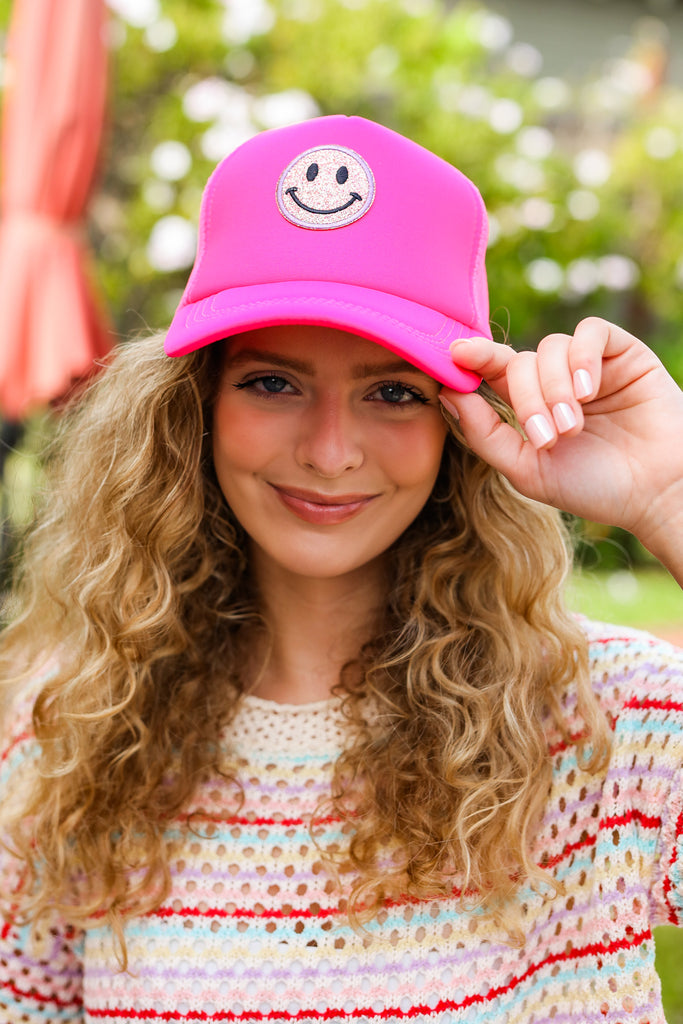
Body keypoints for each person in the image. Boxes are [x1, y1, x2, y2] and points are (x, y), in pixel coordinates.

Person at [1, 114, 682, 1023]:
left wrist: (671, 500)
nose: (328, 453)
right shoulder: (68, 729)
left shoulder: (609, 720)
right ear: (195, 407)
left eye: (391, 392)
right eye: (273, 383)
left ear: (459, 425)